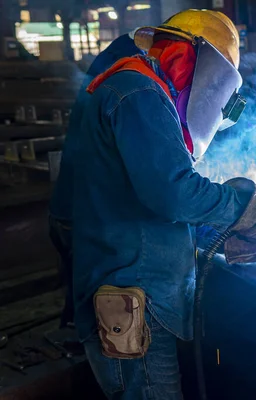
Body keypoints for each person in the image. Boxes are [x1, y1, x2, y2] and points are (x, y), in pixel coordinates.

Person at [61, 9, 256, 399]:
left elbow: (146, 202)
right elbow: (173, 193)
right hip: (134, 300)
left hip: (141, 298)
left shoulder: (142, 89)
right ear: (193, 59)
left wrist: (218, 231)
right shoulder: (140, 93)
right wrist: (248, 207)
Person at [49, 31, 143, 328]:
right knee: (101, 319)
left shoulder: (119, 60)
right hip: (82, 215)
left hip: (72, 209)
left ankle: (76, 331)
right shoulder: (130, 74)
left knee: (84, 307)